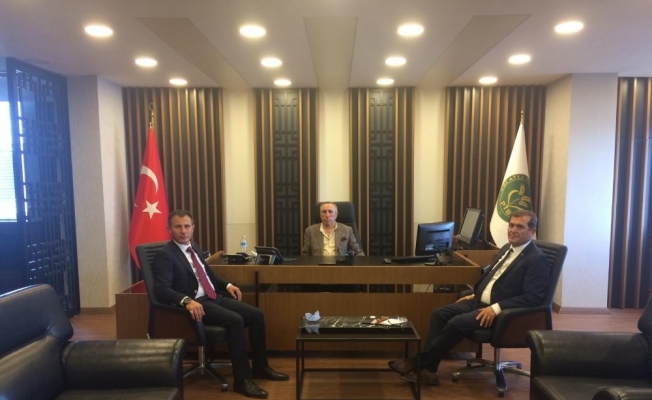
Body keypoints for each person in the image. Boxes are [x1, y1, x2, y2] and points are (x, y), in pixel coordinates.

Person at [388, 209, 550, 385]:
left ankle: (417, 363)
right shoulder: (506, 249)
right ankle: (430, 371)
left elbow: (533, 297)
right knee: (439, 314)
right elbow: (494, 278)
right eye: (511, 225)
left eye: (519, 227)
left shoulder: (536, 259)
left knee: (456, 323)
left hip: (500, 312)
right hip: (479, 301)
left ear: (532, 231)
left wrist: (496, 308)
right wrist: (476, 293)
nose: (513, 230)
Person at [152, 210, 288, 399]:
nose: (183, 231)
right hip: (197, 303)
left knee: (256, 314)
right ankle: (242, 380)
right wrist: (186, 300)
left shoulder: (193, 247)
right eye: (178, 227)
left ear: (193, 228)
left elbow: (209, 275)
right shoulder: (165, 255)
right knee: (235, 320)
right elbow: (161, 289)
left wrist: (228, 285)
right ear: (169, 229)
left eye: (187, 226)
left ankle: (260, 367)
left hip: (213, 297)